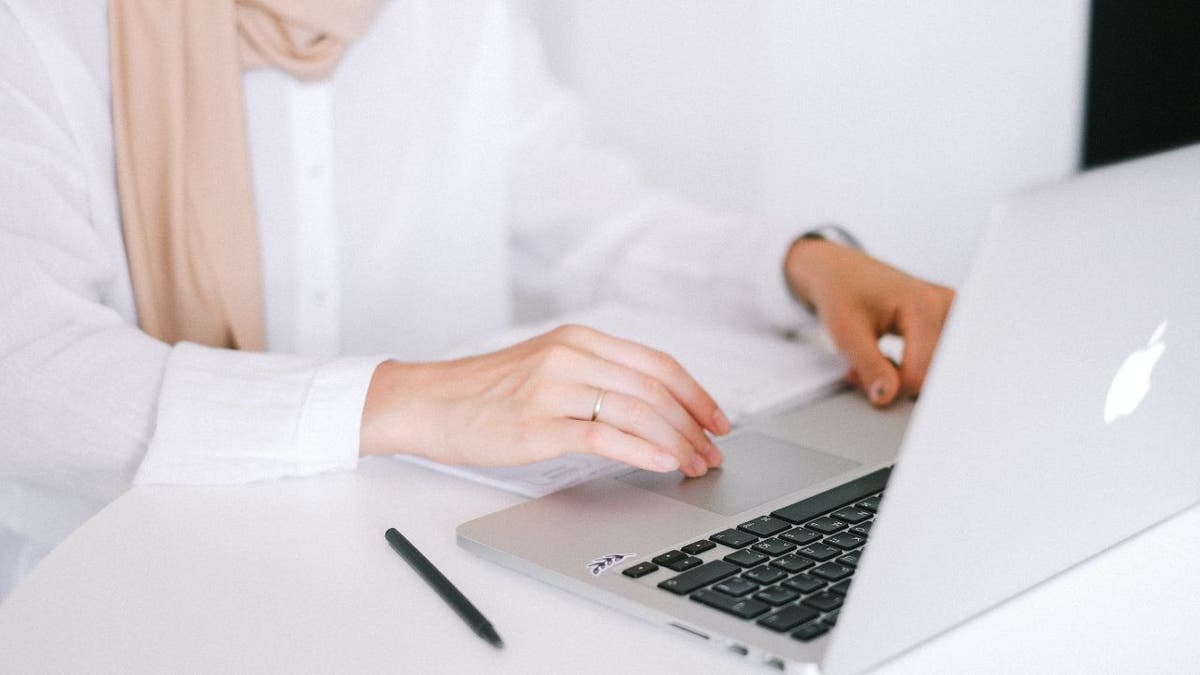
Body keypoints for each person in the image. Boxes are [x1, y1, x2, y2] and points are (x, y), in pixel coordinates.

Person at [0, 0, 954, 597]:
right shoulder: (35, 30)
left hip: (424, 576)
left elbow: (587, 216)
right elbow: (28, 380)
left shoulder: (458, 13)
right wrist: (419, 399)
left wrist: (799, 266)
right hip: (111, 600)